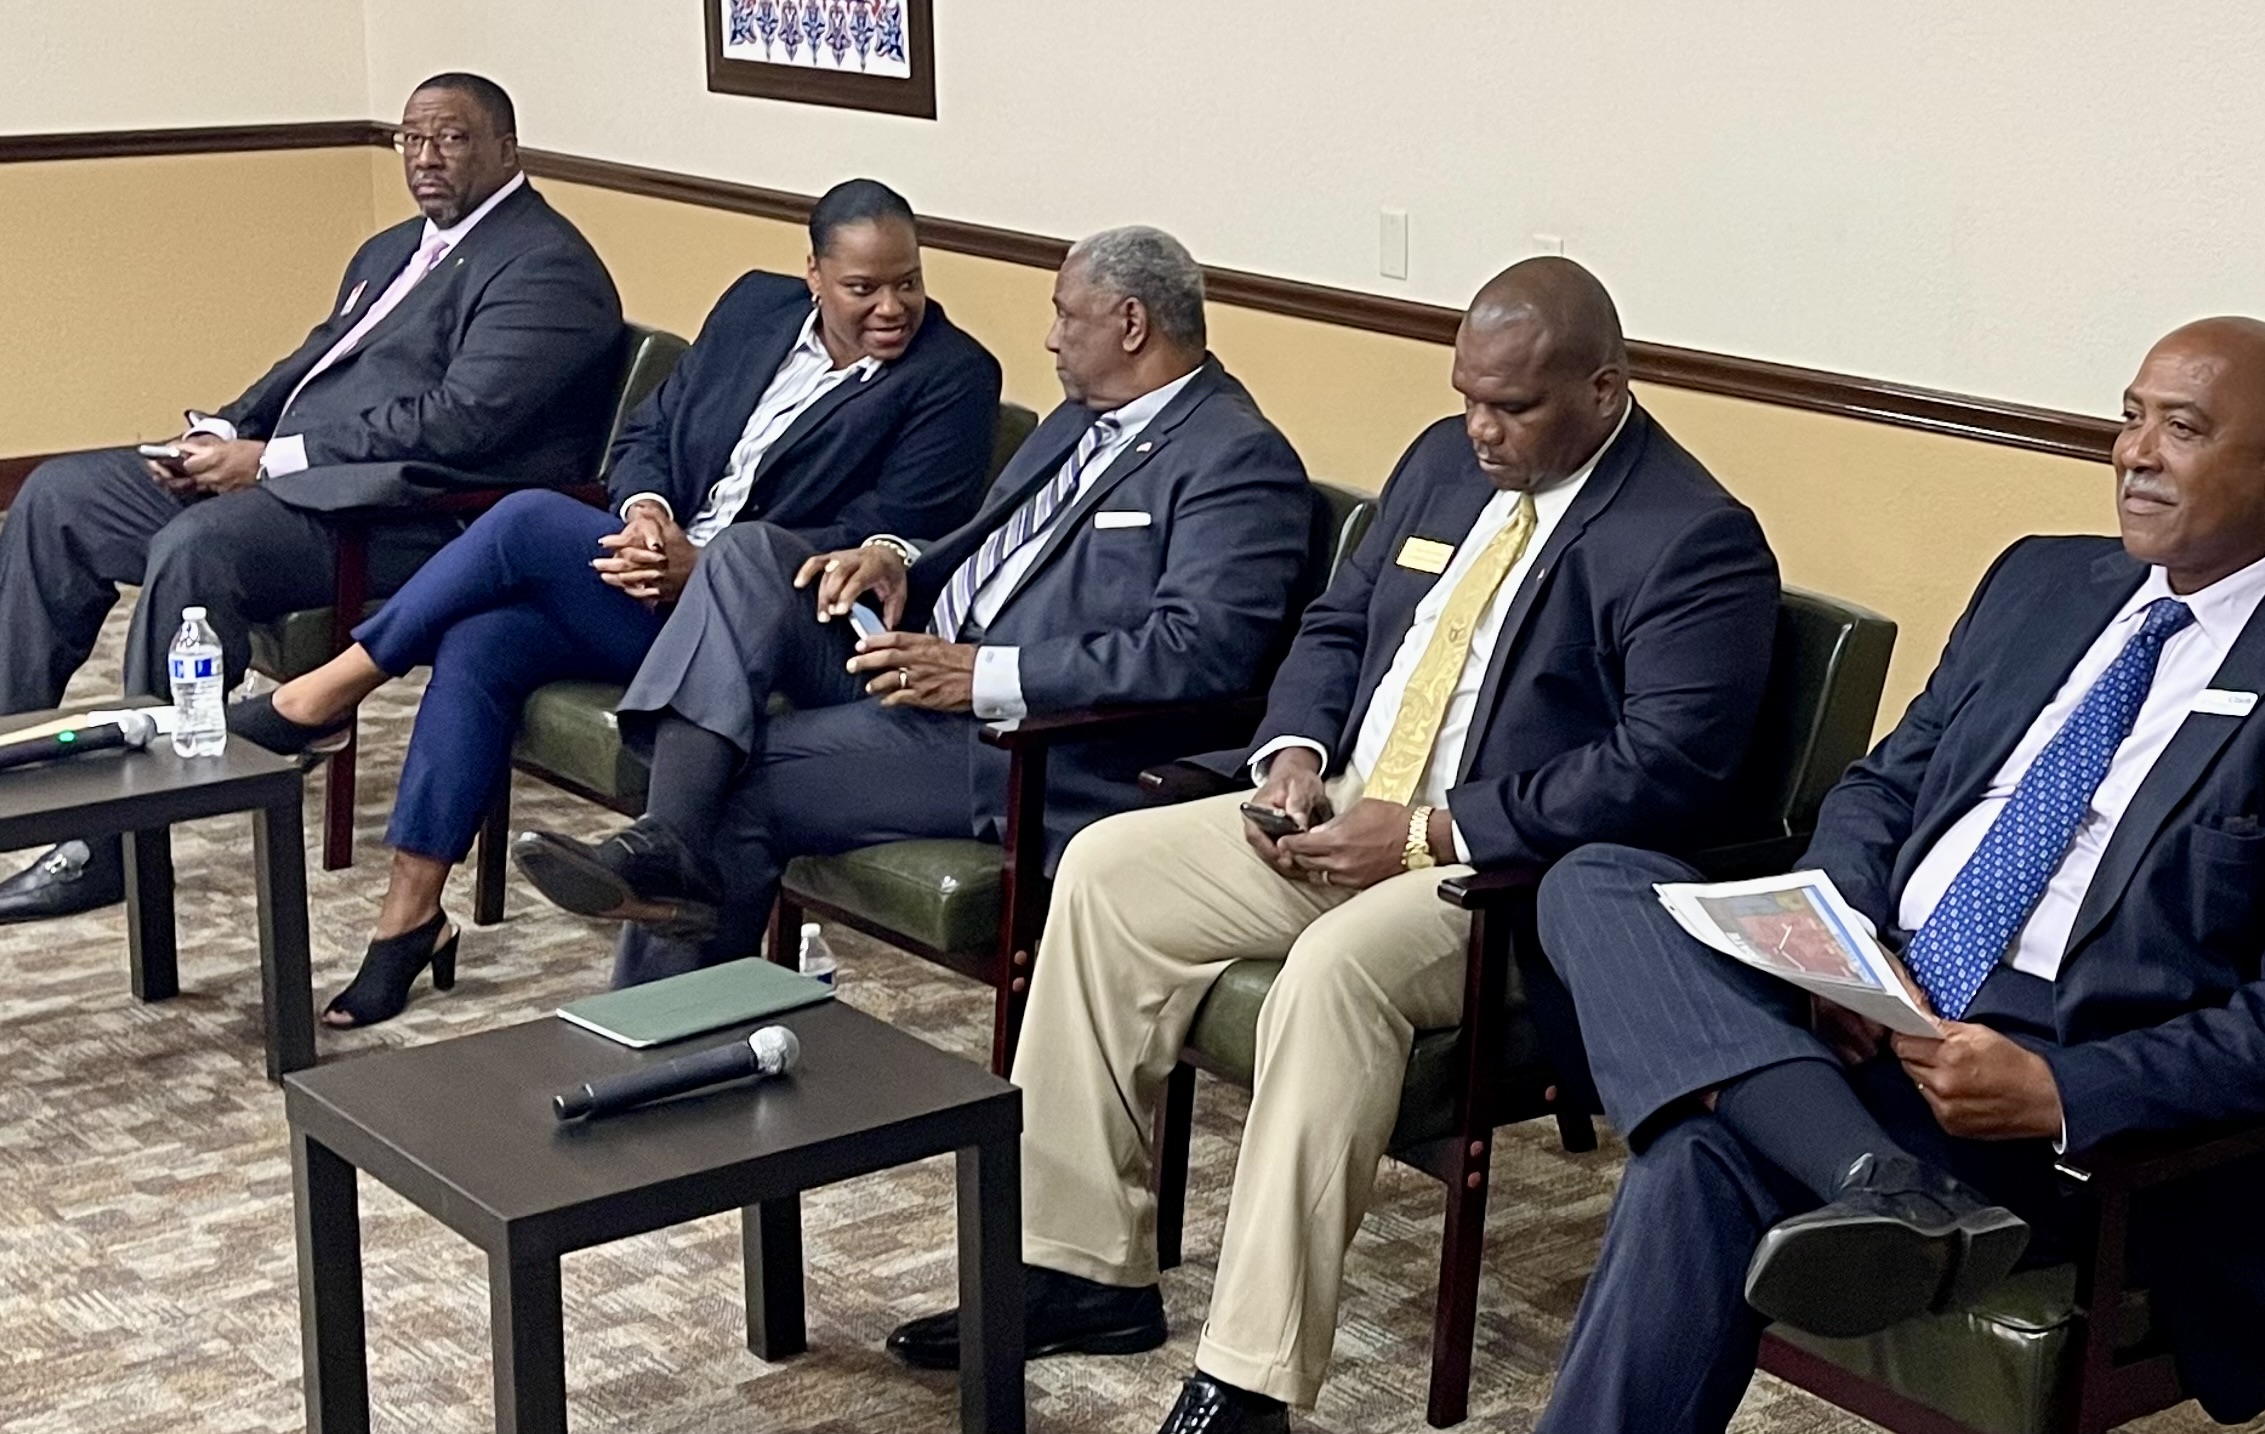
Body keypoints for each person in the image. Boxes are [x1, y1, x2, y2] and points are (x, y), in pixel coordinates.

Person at [884, 258, 1784, 1434]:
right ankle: (1078, 1269)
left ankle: (1248, 1380)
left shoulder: (1691, 537)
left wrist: (1424, 830)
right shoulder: (1437, 466)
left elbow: (1663, 768)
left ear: (1604, 391)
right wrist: (1294, 758)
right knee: (1107, 870)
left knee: (1331, 974)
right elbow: (1336, 623)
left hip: (1499, 876)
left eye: (1510, 407)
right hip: (1342, 807)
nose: (1479, 429)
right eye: (1466, 395)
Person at [1526, 318, 2265, 1432]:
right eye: (2128, 417)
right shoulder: (2038, 582)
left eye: (2180, 428)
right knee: (1592, 882)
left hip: (2071, 1092)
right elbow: (1884, 787)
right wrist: (1841, 940)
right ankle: (1886, 1183)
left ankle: (1876, 1177)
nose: (2133, 453)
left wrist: (2058, 1092)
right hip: (1879, 1003)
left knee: (1693, 1164)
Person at [224, 178, 1001, 1028]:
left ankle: (326, 695)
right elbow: (649, 435)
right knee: (485, 641)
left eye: (908, 282)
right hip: (649, 577)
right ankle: (406, 919)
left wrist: (699, 566)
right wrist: (645, 515)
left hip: (768, 626)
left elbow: (889, 536)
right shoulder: (753, 309)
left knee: (522, 520)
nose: (893, 306)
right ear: (812, 273)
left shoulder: (951, 375)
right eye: (864, 288)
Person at [510, 226, 1318, 988]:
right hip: (915, 651)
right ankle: (666, 846)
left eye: (1066, 315)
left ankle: (655, 1041)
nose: (1050, 337)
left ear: (1131, 323)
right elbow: (992, 545)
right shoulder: (1079, 419)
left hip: (1019, 740)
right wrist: (895, 563)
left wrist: (981, 675)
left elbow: (1199, 650)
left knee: (736, 782)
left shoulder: (1233, 457)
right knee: (752, 553)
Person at [0, 72, 624, 924]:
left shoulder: (547, 267)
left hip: (416, 520)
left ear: (506, 150)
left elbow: (459, 425)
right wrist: (223, 431)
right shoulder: (396, 247)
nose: (426, 159)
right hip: (303, 483)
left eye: (451, 138)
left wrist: (265, 461)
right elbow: (315, 362)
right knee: (60, 496)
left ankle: (113, 844)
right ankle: (11, 761)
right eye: (412, 139)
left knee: (198, 549)